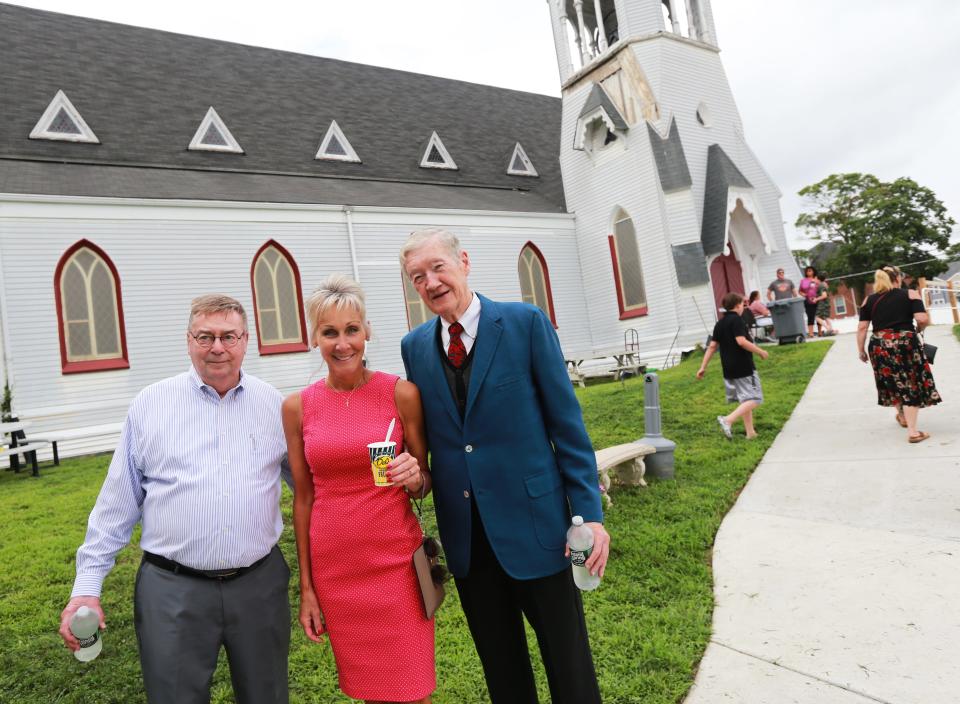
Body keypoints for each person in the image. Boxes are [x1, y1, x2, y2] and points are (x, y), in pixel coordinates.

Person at [399, 228, 608, 704]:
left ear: (464, 262)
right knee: (503, 674)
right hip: (469, 540)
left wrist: (590, 514)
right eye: (417, 277)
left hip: (541, 530)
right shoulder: (414, 348)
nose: (430, 283)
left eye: (438, 268)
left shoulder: (525, 323)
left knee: (569, 665)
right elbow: (428, 444)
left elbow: (568, 429)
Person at [58, 295, 290, 704]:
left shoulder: (275, 404)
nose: (217, 347)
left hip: (259, 585)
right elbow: (116, 506)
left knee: (266, 695)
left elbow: (316, 488)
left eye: (228, 336)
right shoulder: (151, 404)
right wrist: (86, 588)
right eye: (205, 336)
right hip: (172, 589)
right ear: (188, 341)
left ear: (245, 340)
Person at [282, 274, 435, 704]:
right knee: (372, 693)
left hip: (396, 566)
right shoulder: (297, 407)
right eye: (330, 332)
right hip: (337, 573)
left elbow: (424, 482)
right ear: (315, 337)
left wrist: (414, 476)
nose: (343, 343)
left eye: (352, 330)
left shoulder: (401, 395)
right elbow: (304, 499)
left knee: (412, 690)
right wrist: (308, 589)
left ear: (367, 331)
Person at [856, 266, 941, 443]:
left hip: (879, 345)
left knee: (892, 381)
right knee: (911, 384)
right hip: (905, 344)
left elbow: (862, 327)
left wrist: (861, 350)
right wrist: (920, 329)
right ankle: (913, 432)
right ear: (897, 279)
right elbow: (922, 319)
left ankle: (902, 416)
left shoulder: (868, 300)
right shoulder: (910, 294)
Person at [697, 292, 770, 440]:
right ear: (738, 305)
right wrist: (760, 351)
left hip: (729, 369)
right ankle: (727, 419)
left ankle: (750, 433)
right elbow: (741, 341)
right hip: (743, 367)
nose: (744, 307)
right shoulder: (737, 320)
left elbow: (711, 347)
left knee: (746, 399)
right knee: (756, 398)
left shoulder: (720, 323)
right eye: (743, 304)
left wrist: (702, 367)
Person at [798, 266, 819, 337]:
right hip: (807, 301)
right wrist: (805, 294)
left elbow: (822, 288)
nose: (809, 272)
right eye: (807, 271)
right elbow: (800, 291)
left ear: (813, 271)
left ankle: (820, 332)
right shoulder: (803, 281)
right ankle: (811, 333)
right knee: (810, 316)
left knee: (819, 315)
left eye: (810, 270)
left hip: (817, 299)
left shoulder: (817, 280)